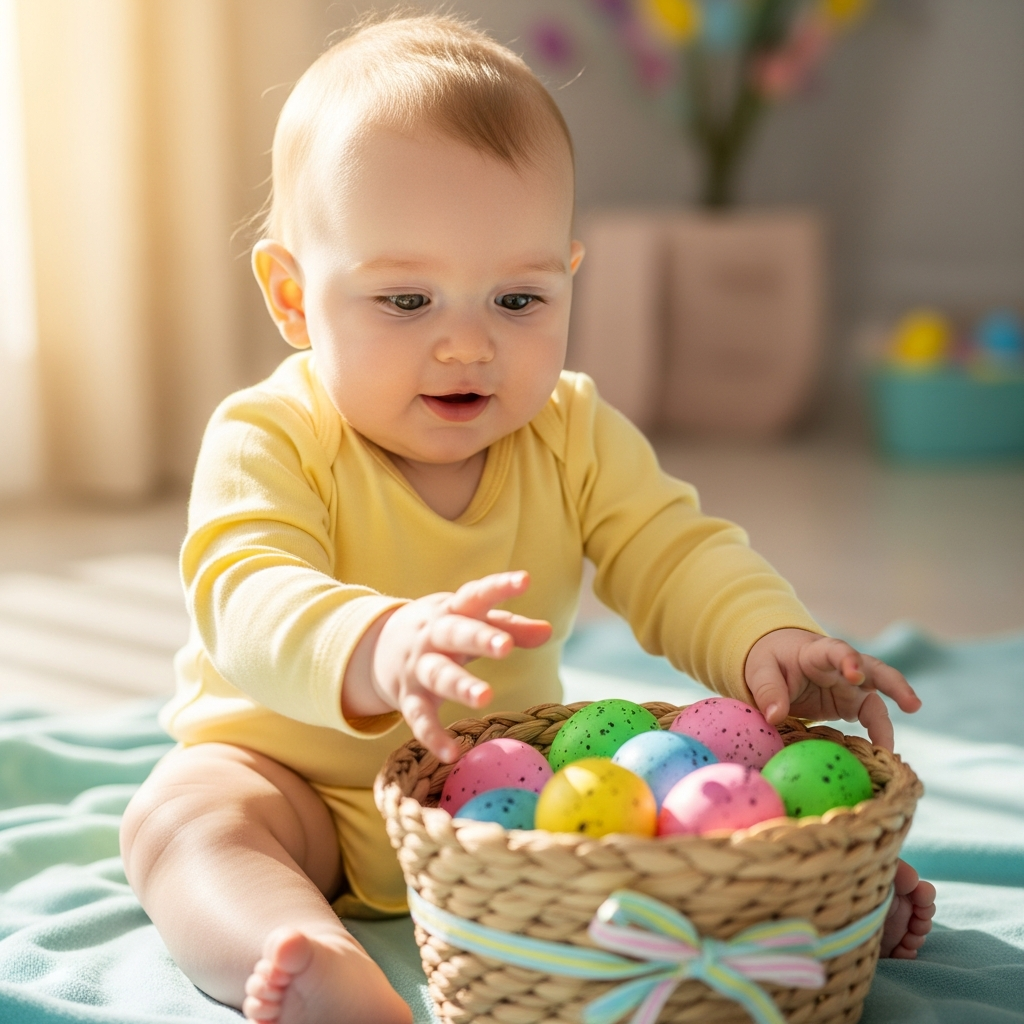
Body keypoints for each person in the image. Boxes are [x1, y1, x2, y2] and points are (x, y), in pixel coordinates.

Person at [119, 13, 935, 1024]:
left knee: (665, 802)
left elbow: (671, 549)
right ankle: (304, 954)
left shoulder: (571, 430)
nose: (468, 346)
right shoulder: (270, 436)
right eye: (407, 300)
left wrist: (765, 638)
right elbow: (245, 592)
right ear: (293, 298)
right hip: (296, 783)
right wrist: (378, 642)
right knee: (181, 818)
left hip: (505, 809)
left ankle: (788, 901)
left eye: (516, 299)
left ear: (566, 276)